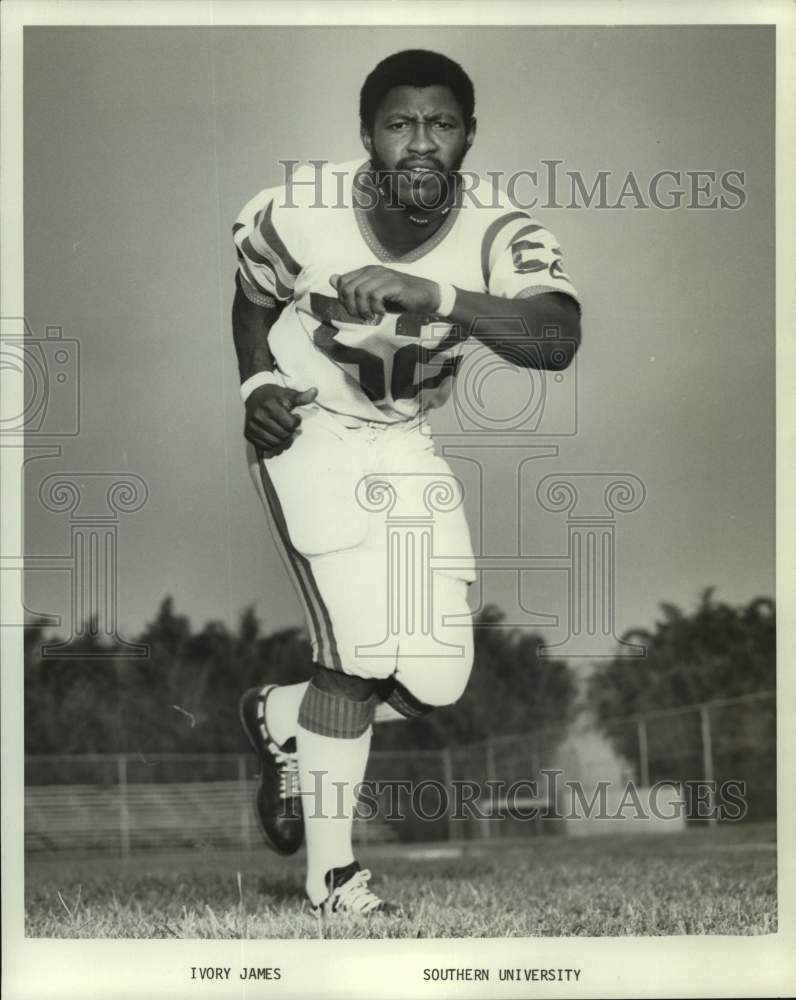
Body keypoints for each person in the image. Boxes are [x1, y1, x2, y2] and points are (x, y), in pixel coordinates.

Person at [232, 49, 581, 919]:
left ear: (469, 134)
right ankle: (332, 878)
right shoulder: (298, 211)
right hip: (307, 428)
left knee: (434, 681)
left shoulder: (502, 231)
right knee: (354, 656)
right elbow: (251, 300)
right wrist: (254, 383)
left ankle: (282, 717)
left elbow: (555, 339)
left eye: (442, 123)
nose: (420, 142)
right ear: (366, 135)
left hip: (403, 437)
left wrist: (438, 292)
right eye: (399, 123)